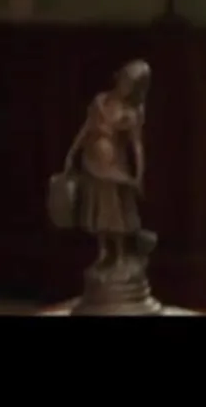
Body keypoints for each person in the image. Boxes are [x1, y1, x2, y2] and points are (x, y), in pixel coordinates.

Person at [62, 60, 151, 274]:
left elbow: (136, 145)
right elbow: (86, 129)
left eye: (130, 83)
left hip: (113, 164)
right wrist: (71, 153)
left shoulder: (131, 112)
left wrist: (139, 174)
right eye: (124, 79)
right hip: (92, 161)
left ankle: (119, 254)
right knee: (97, 206)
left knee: (115, 209)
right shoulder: (100, 101)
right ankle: (103, 253)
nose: (125, 85)